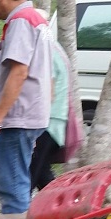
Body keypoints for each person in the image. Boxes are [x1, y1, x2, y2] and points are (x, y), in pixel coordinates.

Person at [0, 0, 53, 214]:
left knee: (11, 185)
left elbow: (19, 72)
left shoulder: (21, 21)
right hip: (31, 115)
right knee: (19, 179)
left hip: (18, 119)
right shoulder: (37, 20)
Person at [30, 16, 71, 192]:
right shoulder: (56, 48)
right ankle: (65, 210)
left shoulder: (46, 51)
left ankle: (16, 217)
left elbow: (48, 91)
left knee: (29, 175)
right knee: (42, 174)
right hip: (56, 121)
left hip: (47, 122)